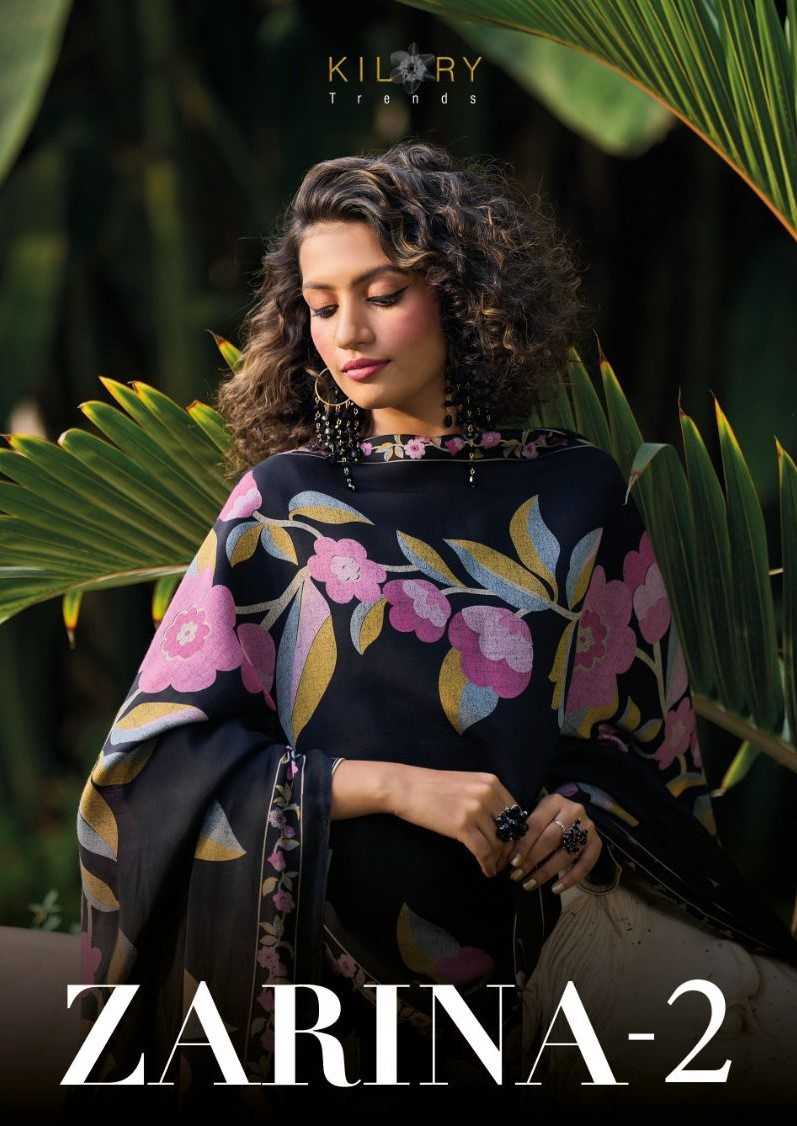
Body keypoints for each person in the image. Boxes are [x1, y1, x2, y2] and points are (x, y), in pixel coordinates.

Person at [74, 140, 797, 1110]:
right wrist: (398, 788)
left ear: (464, 297)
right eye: (319, 305)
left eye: (382, 293)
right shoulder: (281, 509)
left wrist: (584, 822)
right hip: (317, 1003)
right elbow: (152, 762)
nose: (347, 332)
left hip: (533, 984)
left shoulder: (576, 498)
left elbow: (641, 757)